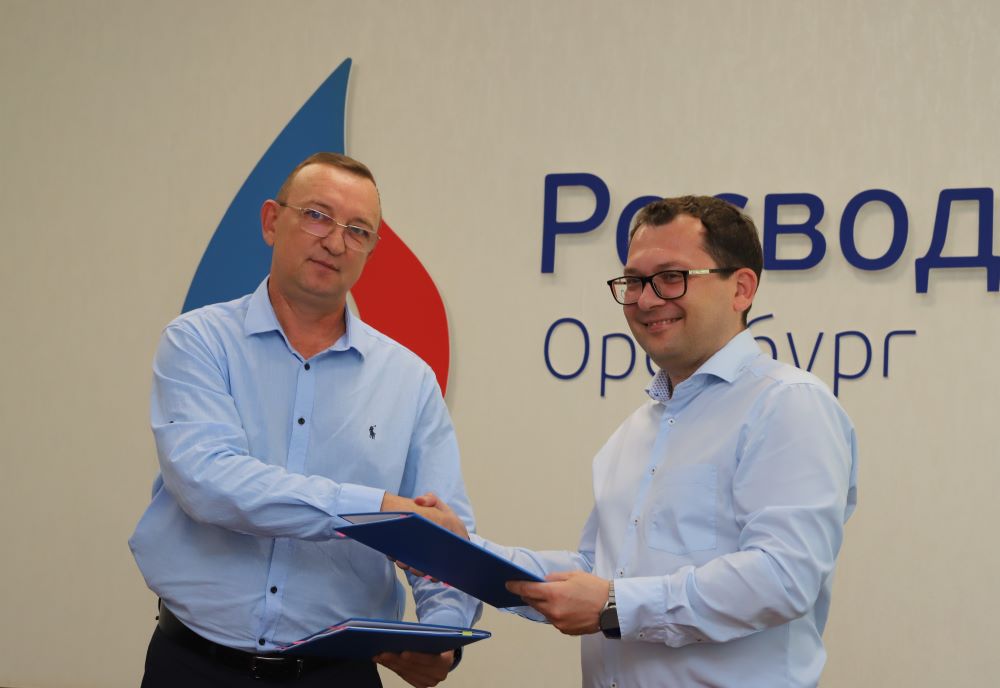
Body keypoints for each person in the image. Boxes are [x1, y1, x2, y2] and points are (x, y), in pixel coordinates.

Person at [422, 195, 857, 687]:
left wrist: (614, 605)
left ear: (741, 288)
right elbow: (596, 570)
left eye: (671, 277)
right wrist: (461, 552)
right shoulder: (635, 431)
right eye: (633, 281)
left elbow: (782, 576)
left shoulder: (788, 405)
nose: (646, 300)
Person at [129, 152, 480, 688]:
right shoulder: (199, 342)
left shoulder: (408, 380)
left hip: (337, 675)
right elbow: (209, 482)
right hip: (196, 665)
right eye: (318, 216)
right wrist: (378, 509)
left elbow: (444, 528)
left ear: (370, 250)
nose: (336, 242)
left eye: (358, 230)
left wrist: (442, 637)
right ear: (272, 221)